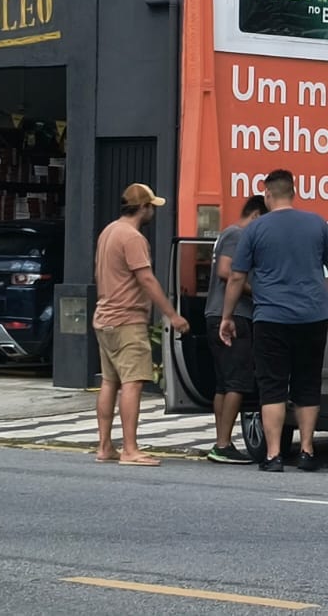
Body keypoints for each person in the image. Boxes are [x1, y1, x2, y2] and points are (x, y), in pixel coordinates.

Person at [219, 170, 328, 473]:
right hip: (313, 315)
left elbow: (236, 276)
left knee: (272, 385)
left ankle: (274, 455)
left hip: (271, 317)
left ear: (268, 195)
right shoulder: (317, 223)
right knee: (308, 382)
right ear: (294, 192)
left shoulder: (256, 229)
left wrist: (226, 317)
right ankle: (307, 451)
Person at [92, 183, 190, 467]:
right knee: (132, 384)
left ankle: (104, 446)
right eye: (152, 207)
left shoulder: (109, 231)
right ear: (143, 207)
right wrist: (172, 315)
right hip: (127, 320)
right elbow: (146, 279)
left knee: (109, 382)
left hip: (104, 318)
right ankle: (130, 449)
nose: (153, 213)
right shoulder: (133, 237)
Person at [203, 194, 269, 464]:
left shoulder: (228, 234)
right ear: (255, 216)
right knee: (237, 382)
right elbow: (226, 271)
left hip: (218, 315)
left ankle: (221, 440)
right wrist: (257, 293)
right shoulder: (237, 234)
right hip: (233, 316)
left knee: (224, 383)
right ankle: (223, 443)